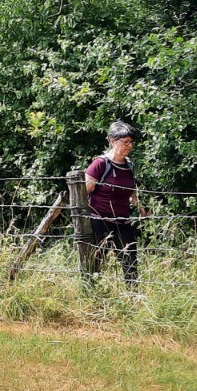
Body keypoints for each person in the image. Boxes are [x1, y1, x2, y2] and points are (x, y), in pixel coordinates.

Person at [84, 122, 141, 288]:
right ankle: (91, 292)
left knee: (130, 262)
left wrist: (140, 206)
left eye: (131, 142)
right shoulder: (100, 164)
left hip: (123, 221)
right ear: (112, 141)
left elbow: (130, 189)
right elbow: (83, 192)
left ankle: (133, 296)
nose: (129, 146)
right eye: (125, 142)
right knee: (96, 261)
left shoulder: (129, 165)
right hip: (100, 221)